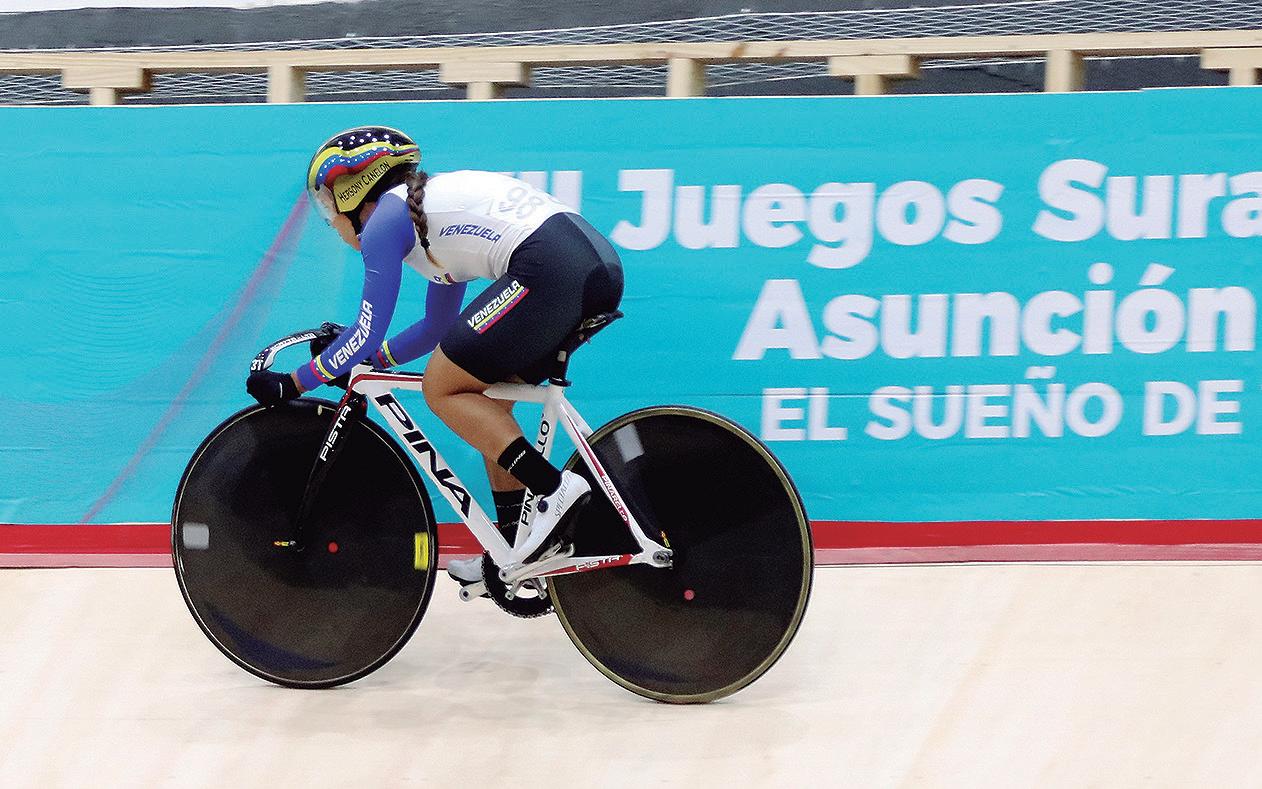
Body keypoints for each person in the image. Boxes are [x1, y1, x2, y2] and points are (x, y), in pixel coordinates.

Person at [245, 126, 624, 587]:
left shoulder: (386, 221)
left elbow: (365, 333)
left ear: (353, 190)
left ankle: (555, 489)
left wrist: (293, 382)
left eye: (328, 204)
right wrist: (373, 361)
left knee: (441, 387)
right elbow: (435, 328)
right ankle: (515, 551)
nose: (330, 220)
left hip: (553, 267)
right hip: (591, 265)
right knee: (489, 402)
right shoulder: (423, 216)